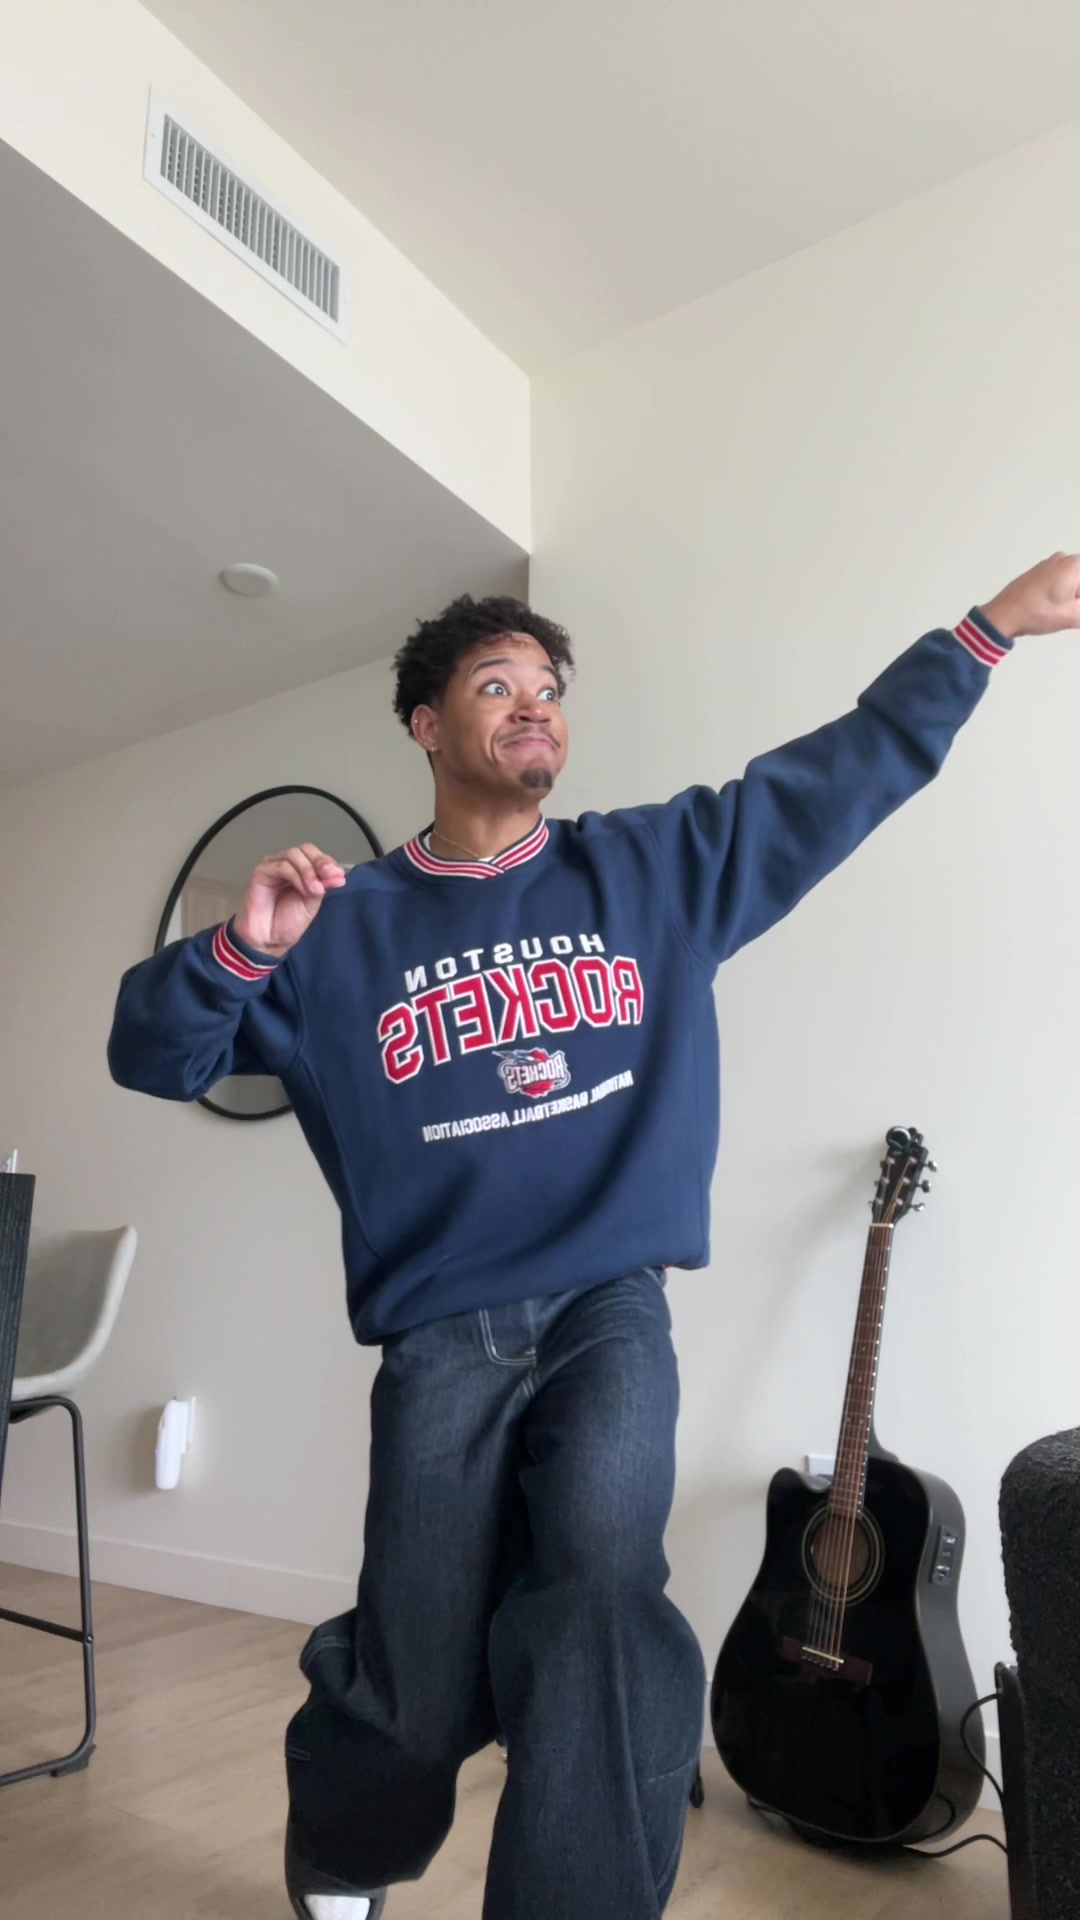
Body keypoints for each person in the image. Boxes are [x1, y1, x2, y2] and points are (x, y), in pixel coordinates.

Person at [108, 553, 1080, 1920]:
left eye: (551, 689)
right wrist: (241, 949)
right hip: (441, 1331)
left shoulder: (649, 870)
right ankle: (344, 1854)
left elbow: (837, 777)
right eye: (496, 685)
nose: (536, 707)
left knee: (603, 1605)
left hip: (607, 1307)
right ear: (426, 726)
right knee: (413, 1676)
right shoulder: (340, 927)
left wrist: (989, 631)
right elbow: (152, 1055)